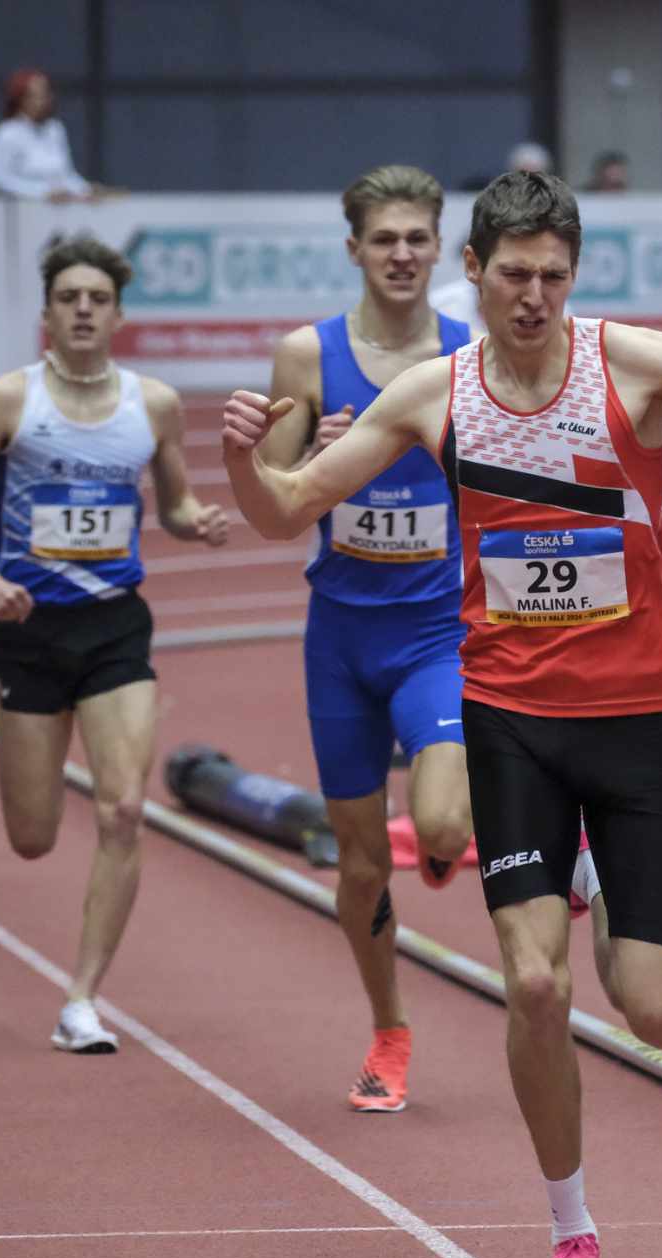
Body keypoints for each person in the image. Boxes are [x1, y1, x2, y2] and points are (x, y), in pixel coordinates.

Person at [220, 171, 662, 1258]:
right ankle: (570, 1229)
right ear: (475, 276)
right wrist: (246, 456)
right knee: (532, 987)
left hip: (636, 728)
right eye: (511, 275)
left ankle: (593, 876)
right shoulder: (432, 395)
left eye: (551, 275)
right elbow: (287, 507)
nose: (531, 295)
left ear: (570, 277)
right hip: (511, 724)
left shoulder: (627, 363)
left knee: (656, 1016)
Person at [0, 236, 231, 1055]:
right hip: (26, 628)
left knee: (124, 808)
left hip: (114, 628)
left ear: (119, 313)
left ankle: (81, 1001)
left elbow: (170, 503)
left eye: (99, 297)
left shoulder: (153, 404)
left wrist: (193, 522)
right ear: (48, 315)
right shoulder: (8, 400)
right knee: (32, 836)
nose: (85, 310)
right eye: (71, 298)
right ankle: (78, 987)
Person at [252, 165, 472, 1115]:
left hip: (435, 633)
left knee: (440, 828)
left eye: (416, 238)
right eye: (383, 239)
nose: (401, 255)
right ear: (354, 249)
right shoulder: (306, 356)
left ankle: (455, 814)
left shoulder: (473, 353)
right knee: (359, 862)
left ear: (441, 248)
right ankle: (389, 1030)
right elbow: (269, 489)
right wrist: (307, 454)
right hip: (341, 637)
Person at [0, 68, 99, 202]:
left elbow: (65, 174)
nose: (45, 100)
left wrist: (86, 190)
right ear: (21, 99)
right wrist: (43, 193)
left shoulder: (55, 129)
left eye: (47, 94)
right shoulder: (6, 133)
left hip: (59, 215)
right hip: (20, 214)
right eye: (38, 95)